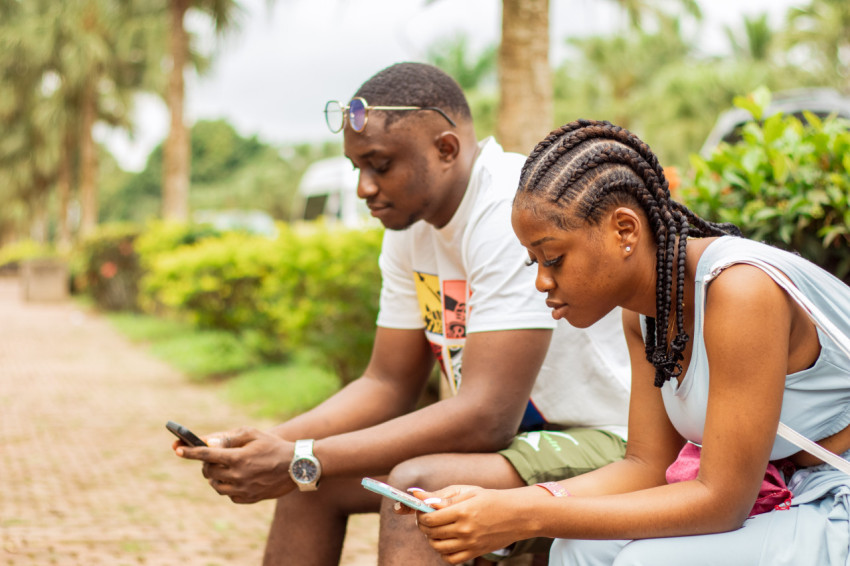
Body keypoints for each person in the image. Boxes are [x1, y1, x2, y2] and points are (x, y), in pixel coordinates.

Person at [173, 65, 631, 565]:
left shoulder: (508, 208)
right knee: (311, 485)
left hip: (606, 438)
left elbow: (487, 417)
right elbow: (386, 383)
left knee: (415, 488)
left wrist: (304, 456)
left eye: (380, 164)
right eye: (356, 169)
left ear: (446, 149)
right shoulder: (409, 232)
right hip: (523, 442)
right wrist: (273, 445)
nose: (363, 188)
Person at [407, 118, 850, 566]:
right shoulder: (644, 317)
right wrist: (511, 501)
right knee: (577, 547)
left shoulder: (740, 291)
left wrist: (529, 514)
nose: (542, 281)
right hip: (797, 491)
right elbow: (646, 467)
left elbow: (721, 502)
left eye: (554, 258)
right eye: (534, 262)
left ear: (624, 230)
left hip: (838, 500)